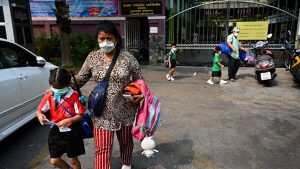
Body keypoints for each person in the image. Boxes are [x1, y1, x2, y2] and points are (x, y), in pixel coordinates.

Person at [72, 20, 144, 169]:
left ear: (116, 39)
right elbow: (80, 79)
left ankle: (126, 164)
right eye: (102, 39)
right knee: (102, 149)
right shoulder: (92, 57)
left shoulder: (128, 58)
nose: (105, 42)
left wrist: (140, 94)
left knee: (126, 143)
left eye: (109, 38)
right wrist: (59, 85)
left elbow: (139, 80)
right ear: (97, 39)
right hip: (101, 112)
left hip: (125, 110)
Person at [36, 68, 86, 169]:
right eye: (54, 87)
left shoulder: (74, 96)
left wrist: (69, 120)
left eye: (60, 87)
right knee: (54, 160)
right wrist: (40, 116)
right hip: (56, 132)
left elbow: (80, 115)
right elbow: (39, 111)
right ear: (51, 84)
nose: (57, 90)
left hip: (72, 133)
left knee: (73, 159)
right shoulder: (49, 95)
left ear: (68, 83)